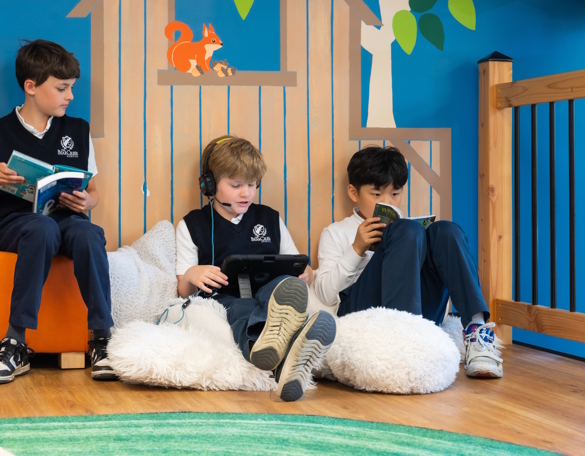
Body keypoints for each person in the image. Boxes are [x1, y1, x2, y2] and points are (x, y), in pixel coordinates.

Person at [0, 39, 114, 383]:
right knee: (41, 228)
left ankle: (102, 339)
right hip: (14, 224)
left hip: (66, 220)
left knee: (90, 233)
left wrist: (87, 202)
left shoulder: (78, 130)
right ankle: (15, 341)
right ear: (31, 87)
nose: (70, 96)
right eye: (62, 88)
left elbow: (92, 191)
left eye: (71, 88)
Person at [314, 145, 503, 378]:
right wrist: (357, 249)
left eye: (395, 194)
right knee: (405, 230)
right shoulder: (336, 232)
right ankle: (402, 340)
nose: (388, 202)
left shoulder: (411, 228)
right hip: (364, 315)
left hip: (418, 317)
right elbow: (324, 294)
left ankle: (476, 332)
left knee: (445, 230)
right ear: (354, 192)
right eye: (376, 195)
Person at [176, 135, 336, 401]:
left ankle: (283, 337)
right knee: (243, 309)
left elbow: (295, 263)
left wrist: (304, 274)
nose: (246, 193)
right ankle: (275, 350)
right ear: (210, 184)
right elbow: (182, 290)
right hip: (226, 296)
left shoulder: (270, 218)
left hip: (271, 291)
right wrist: (193, 274)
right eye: (236, 184)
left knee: (289, 287)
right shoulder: (192, 225)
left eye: (252, 184)